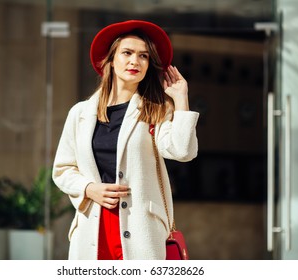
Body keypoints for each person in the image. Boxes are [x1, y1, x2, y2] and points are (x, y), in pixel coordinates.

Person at [52, 20, 199, 260]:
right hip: (93, 227)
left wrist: (181, 100)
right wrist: (88, 189)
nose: (135, 61)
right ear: (110, 60)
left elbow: (182, 151)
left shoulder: (157, 109)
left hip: (141, 229)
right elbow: (62, 170)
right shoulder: (80, 113)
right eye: (127, 53)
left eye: (143, 56)